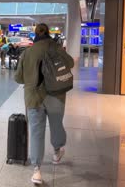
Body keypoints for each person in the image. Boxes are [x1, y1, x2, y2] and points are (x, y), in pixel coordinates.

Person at [15, 23, 74, 185]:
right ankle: (56, 152)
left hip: (34, 98)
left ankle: (37, 171)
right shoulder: (56, 48)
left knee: (36, 132)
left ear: (35, 34)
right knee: (56, 124)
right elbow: (71, 64)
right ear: (48, 33)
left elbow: (18, 78)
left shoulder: (28, 52)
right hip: (56, 95)